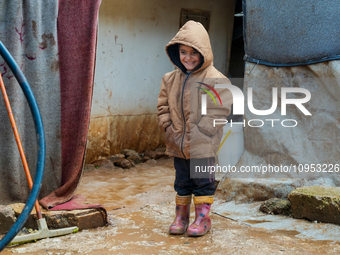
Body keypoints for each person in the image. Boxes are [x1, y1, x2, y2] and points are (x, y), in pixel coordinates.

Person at [157, 20, 232, 236]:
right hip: (177, 143)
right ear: (175, 53)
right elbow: (162, 106)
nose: (188, 58)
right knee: (182, 181)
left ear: (203, 53)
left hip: (203, 145)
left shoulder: (217, 79)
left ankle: (202, 219)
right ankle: (181, 217)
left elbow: (221, 108)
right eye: (183, 52)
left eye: (193, 53)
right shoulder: (169, 79)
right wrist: (167, 126)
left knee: (203, 182)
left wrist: (203, 130)